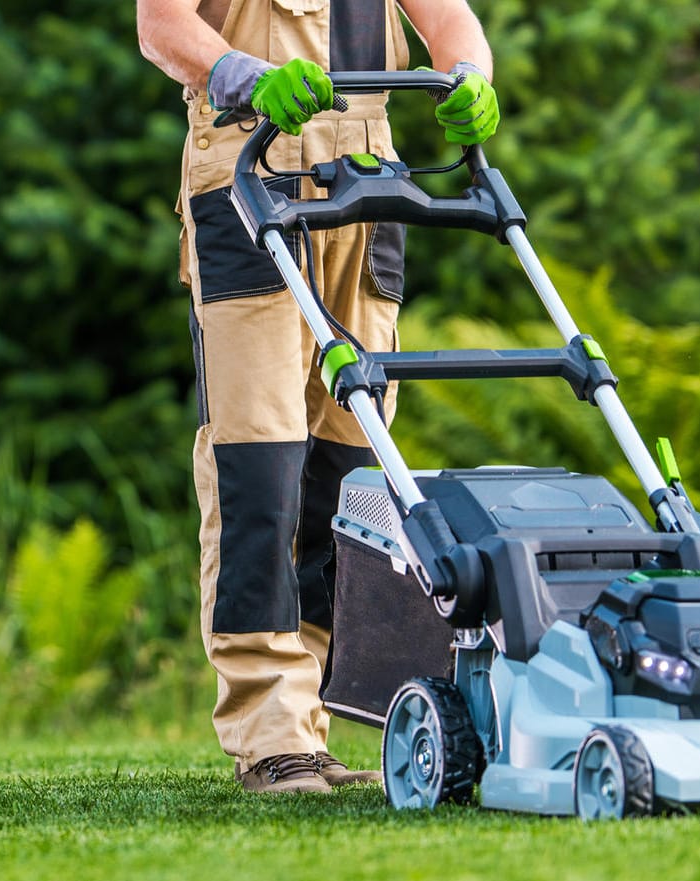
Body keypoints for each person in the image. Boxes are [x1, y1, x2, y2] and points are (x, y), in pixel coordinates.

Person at [136, 0, 500, 794]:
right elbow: (159, 24)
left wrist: (471, 74)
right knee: (258, 462)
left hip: (364, 187)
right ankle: (270, 729)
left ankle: (316, 721)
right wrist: (245, 76)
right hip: (246, 170)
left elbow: (450, 22)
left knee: (351, 470)